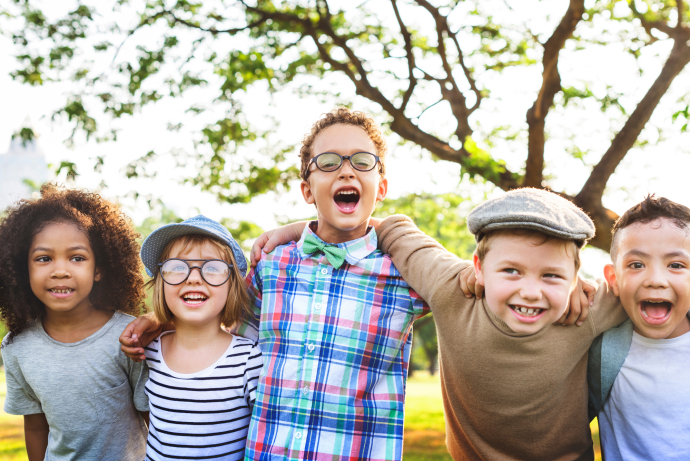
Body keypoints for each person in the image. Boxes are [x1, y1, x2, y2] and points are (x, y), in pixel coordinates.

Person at [121, 108, 430, 461]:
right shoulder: (273, 266)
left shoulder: (405, 276)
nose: (346, 170)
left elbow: (465, 290)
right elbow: (216, 311)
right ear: (307, 191)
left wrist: (312, 226)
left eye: (362, 161)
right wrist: (160, 319)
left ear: (382, 187)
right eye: (328, 162)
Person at [254, 187, 621, 460]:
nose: (530, 291)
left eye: (552, 276)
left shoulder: (587, 308)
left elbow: (655, 289)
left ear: (577, 276)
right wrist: (297, 229)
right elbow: (388, 229)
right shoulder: (451, 288)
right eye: (511, 271)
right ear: (478, 268)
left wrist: (576, 288)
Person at [0, 184, 149, 460]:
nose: (60, 271)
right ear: (24, 270)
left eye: (77, 258)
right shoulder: (16, 347)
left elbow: (151, 417)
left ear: (99, 269)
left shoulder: (128, 336)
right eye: (44, 258)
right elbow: (34, 427)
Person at [138, 215, 262, 460]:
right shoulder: (148, 352)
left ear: (232, 286)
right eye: (177, 267)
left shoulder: (249, 360)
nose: (194, 277)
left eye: (212, 268)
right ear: (161, 282)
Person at [588, 195, 690, 460]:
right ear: (614, 279)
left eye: (676, 265)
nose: (656, 280)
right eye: (636, 265)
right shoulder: (600, 349)